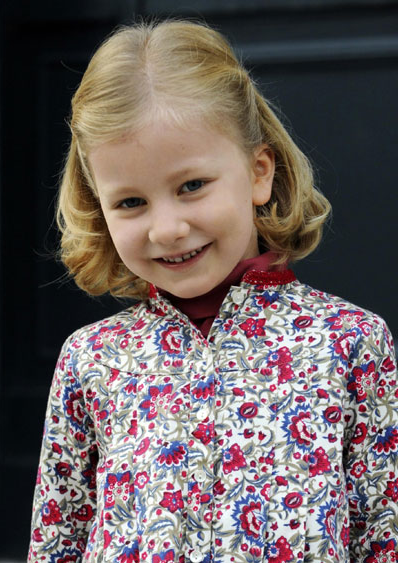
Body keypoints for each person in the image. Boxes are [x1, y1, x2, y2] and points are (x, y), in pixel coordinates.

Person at [28, 19, 398, 563]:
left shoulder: (352, 344)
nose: (168, 228)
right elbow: (56, 540)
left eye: (192, 186)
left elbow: (383, 536)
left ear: (258, 173)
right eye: (131, 202)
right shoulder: (91, 360)